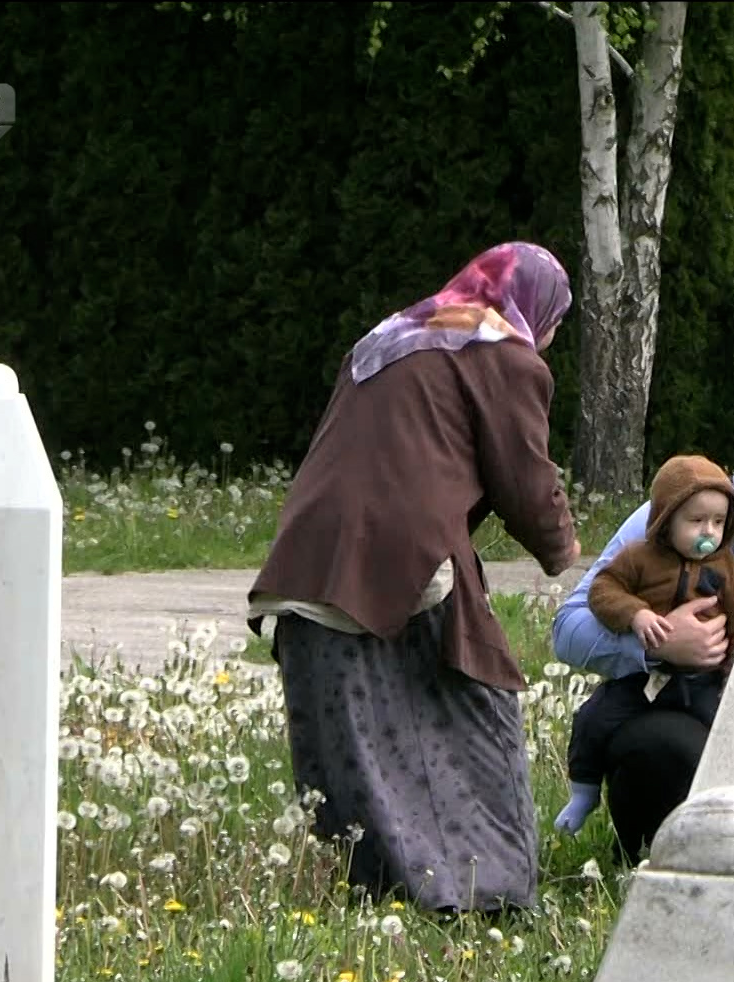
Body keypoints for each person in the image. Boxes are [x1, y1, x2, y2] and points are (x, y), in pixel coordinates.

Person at [246, 240, 581, 915]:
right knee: (468, 717)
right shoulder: (502, 355)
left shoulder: (390, 335)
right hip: (402, 557)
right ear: (534, 307)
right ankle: (482, 892)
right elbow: (525, 480)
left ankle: (380, 884)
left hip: (309, 552)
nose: (547, 339)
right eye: (554, 323)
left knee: (355, 728)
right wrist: (564, 549)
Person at [551, 384, 734, 863]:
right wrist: (654, 647)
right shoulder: (671, 515)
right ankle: (655, 858)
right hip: (677, 709)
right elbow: (568, 628)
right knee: (654, 743)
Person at [553, 453, 734, 835]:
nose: (709, 532)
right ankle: (583, 791)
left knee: (728, 734)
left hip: (704, 683)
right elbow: (603, 590)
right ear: (666, 521)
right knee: (593, 718)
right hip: (644, 679)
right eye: (696, 521)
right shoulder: (639, 558)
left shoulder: (730, 572)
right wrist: (637, 616)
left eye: (719, 522)